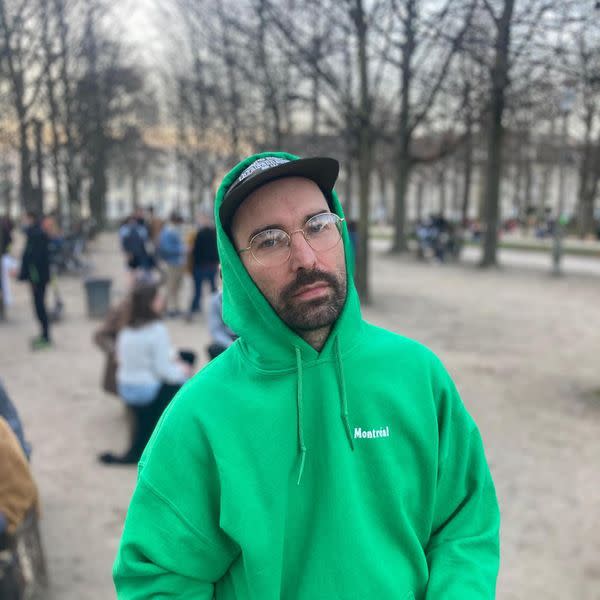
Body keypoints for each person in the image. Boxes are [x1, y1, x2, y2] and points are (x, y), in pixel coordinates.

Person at [113, 153, 500, 598]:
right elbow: (158, 579)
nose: (305, 257)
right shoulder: (200, 413)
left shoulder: (418, 375)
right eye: (269, 240)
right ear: (234, 270)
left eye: (317, 225)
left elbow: (464, 526)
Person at [99, 281, 193, 466]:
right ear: (150, 303)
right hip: (146, 391)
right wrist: (184, 372)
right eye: (158, 297)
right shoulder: (157, 330)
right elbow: (163, 371)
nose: (161, 300)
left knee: (177, 368)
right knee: (185, 384)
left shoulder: (127, 328)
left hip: (126, 387)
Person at [18, 211, 51, 349]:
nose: (23, 222)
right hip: (37, 278)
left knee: (40, 306)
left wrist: (33, 279)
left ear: (30, 219)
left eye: (24, 219)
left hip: (38, 279)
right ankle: (44, 335)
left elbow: (35, 260)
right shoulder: (34, 234)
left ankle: (46, 337)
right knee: (38, 306)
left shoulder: (36, 235)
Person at [187, 213, 218, 317]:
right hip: (211, 265)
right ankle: (218, 309)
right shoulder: (214, 233)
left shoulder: (199, 234)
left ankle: (194, 309)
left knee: (198, 290)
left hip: (200, 266)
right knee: (213, 289)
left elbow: (195, 252)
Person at [157, 211, 186, 317]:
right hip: (171, 263)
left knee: (177, 286)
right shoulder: (168, 232)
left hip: (178, 262)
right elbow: (166, 248)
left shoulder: (174, 231)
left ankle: (175, 307)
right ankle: (170, 309)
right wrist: (182, 249)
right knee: (170, 286)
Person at [206, 286, 237, 360]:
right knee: (214, 349)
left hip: (246, 339)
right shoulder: (216, 300)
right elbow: (216, 330)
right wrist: (230, 344)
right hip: (228, 339)